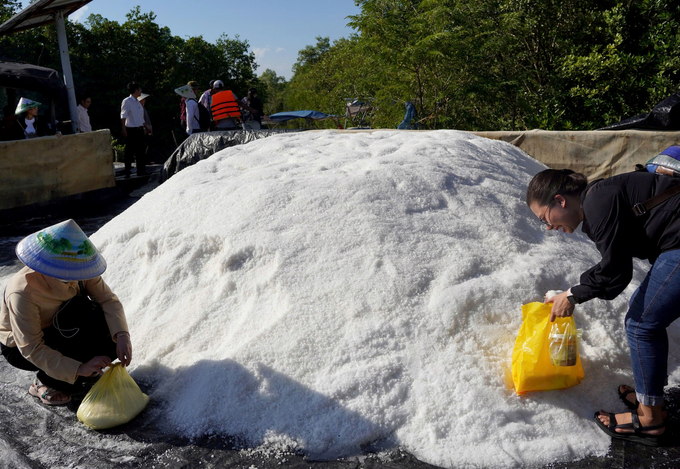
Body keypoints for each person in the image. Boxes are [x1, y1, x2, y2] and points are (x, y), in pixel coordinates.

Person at [526, 167, 680, 446]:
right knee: (643, 317)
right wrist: (572, 292)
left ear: (560, 201)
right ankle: (650, 401)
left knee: (641, 324)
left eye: (544, 217)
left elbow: (615, 273)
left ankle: (650, 420)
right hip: (674, 245)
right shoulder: (599, 199)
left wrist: (572, 296)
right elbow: (615, 265)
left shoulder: (597, 201)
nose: (548, 227)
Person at [0, 219, 132, 406]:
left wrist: (122, 335)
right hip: (24, 346)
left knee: (110, 344)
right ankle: (43, 382)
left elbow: (107, 300)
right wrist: (79, 368)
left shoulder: (80, 267)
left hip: (66, 325)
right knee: (75, 378)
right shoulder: (22, 291)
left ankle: (71, 369)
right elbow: (31, 347)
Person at [120, 81, 150, 177]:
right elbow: (123, 115)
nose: (140, 91)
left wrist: (146, 127)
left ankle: (141, 171)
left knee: (140, 151)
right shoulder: (127, 101)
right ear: (136, 90)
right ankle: (127, 172)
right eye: (139, 89)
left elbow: (140, 118)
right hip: (131, 129)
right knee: (129, 151)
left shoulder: (138, 102)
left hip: (139, 128)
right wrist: (123, 128)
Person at [138, 93, 155, 164]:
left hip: (146, 128)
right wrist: (146, 129)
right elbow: (141, 120)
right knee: (147, 145)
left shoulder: (142, 107)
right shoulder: (139, 108)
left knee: (148, 145)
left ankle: (146, 160)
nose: (144, 101)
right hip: (144, 129)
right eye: (143, 99)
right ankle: (145, 160)